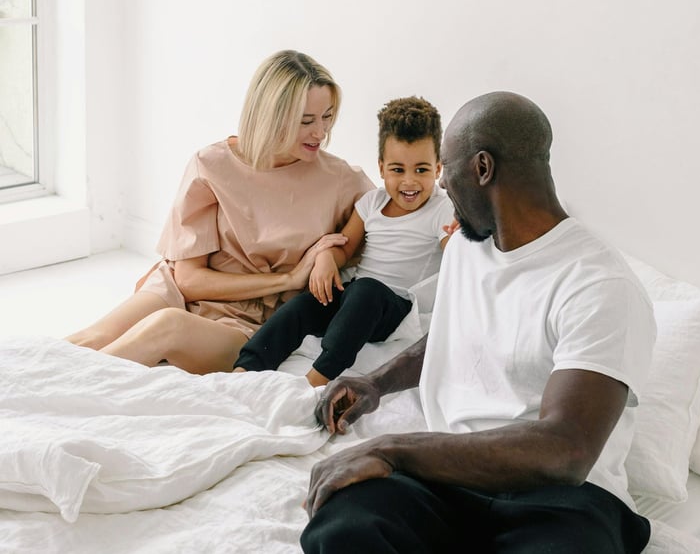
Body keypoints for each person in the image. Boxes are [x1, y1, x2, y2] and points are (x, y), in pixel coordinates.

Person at [301, 91, 656, 554]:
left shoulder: (599, 284)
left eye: (446, 167)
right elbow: (453, 334)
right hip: (448, 477)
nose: (443, 186)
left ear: (483, 168)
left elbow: (565, 450)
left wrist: (391, 449)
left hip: (562, 502)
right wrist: (375, 383)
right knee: (343, 524)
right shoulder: (469, 247)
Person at [66, 50, 374, 374]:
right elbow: (188, 280)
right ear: (271, 116)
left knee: (165, 327)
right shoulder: (211, 165)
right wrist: (287, 278)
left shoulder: (338, 178)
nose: (321, 132)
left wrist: (330, 257)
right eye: (306, 121)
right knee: (90, 338)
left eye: (327, 116)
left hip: (247, 322)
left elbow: (386, 212)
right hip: (178, 292)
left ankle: (63, 395)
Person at [233, 96, 456, 386]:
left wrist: (460, 234)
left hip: (396, 307)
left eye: (422, 170)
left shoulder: (442, 208)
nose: (409, 182)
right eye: (398, 170)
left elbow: (455, 254)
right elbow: (345, 246)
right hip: (357, 301)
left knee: (365, 290)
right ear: (381, 167)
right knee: (304, 306)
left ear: (438, 169)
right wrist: (326, 258)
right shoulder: (371, 203)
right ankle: (245, 369)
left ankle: (318, 377)